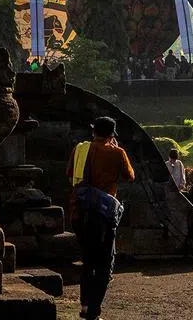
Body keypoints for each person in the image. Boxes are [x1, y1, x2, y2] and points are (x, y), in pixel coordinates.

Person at [67, 117, 135, 320]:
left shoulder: (80, 150)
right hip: (103, 215)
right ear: (112, 135)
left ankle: (86, 305)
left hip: (79, 211)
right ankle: (94, 311)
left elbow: (70, 175)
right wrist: (116, 150)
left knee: (88, 261)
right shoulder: (116, 153)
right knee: (105, 264)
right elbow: (130, 175)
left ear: (93, 131)